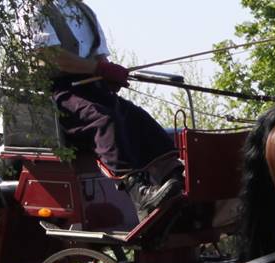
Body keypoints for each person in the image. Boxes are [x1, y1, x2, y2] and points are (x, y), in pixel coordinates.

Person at [29, 0, 182, 220]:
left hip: (91, 86)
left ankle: (172, 176)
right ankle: (137, 190)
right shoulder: (34, 10)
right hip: (58, 94)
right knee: (104, 119)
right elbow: (52, 56)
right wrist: (98, 68)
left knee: (137, 117)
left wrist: (108, 75)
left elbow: (100, 57)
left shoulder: (84, 10)